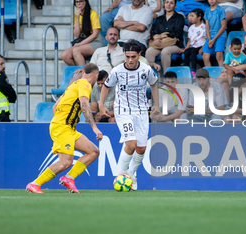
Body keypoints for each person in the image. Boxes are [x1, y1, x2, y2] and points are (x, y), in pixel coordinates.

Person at [26, 63, 103, 194]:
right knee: (65, 162)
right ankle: (34, 184)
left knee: (94, 152)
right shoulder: (85, 85)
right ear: (96, 75)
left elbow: (55, 106)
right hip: (63, 127)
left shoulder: (73, 86)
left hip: (67, 128)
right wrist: (95, 128)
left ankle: (69, 178)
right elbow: (85, 106)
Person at [99, 39, 160, 191]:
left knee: (141, 149)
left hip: (141, 111)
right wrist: (101, 105)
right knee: (131, 145)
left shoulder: (146, 70)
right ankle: (120, 176)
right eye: (127, 57)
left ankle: (131, 175)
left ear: (140, 55)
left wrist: (156, 105)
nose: (130, 60)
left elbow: (154, 85)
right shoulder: (117, 71)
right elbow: (106, 86)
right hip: (123, 110)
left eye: (133, 56)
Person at [145, 0, 185, 73]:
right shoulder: (159, 18)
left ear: (175, 5)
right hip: (160, 44)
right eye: (167, 2)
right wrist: (155, 38)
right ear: (164, 5)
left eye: (171, 3)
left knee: (165, 51)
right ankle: (151, 76)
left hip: (174, 44)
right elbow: (154, 33)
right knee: (149, 51)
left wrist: (162, 36)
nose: (168, 5)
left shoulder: (179, 17)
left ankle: (166, 76)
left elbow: (177, 33)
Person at [61, 0, 103, 66]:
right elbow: (76, 35)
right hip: (83, 40)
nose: (79, 4)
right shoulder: (76, 15)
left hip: (95, 41)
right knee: (65, 55)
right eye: (77, 2)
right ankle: (79, 71)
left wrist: (81, 43)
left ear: (86, 2)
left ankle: (84, 73)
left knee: (76, 50)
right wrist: (77, 18)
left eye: (81, 1)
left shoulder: (93, 13)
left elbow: (95, 34)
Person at [178, 8, 206, 78]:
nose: (190, 18)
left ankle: (194, 70)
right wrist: (185, 49)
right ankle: (186, 70)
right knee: (187, 51)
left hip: (201, 46)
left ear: (199, 17)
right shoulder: (191, 27)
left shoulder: (204, 27)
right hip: (193, 46)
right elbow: (190, 40)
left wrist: (203, 48)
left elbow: (206, 39)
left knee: (193, 52)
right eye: (190, 16)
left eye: (193, 16)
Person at [202, 0, 227, 67]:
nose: (211, 0)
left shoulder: (220, 10)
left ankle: (222, 75)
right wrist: (209, 38)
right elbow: (207, 26)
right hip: (210, 36)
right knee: (205, 57)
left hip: (220, 36)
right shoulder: (207, 10)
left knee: (219, 56)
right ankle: (210, 76)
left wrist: (214, 39)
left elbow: (223, 26)